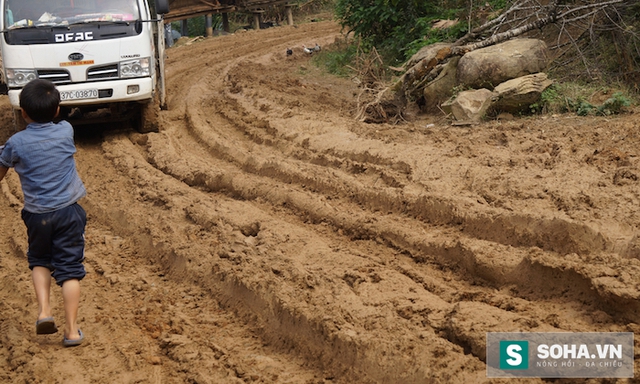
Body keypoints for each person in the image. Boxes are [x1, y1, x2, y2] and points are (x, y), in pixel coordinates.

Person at [0, 79, 87, 347]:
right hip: (69, 212)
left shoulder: (16, 143)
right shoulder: (65, 131)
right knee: (70, 270)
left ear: (23, 112)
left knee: (39, 260)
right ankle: (72, 332)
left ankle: (44, 312)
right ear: (58, 110)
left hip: (37, 215)